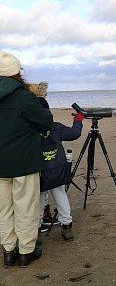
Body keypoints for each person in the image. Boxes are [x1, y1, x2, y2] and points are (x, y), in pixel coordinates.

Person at [0, 51, 53, 268]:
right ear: (17, 73)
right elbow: (46, 122)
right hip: (24, 162)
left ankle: (8, 251)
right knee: (25, 207)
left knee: (4, 210)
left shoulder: (22, 97)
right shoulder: (24, 97)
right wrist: (38, 98)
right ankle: (26, 251)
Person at [36, 97, 84, 241]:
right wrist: (78, 120)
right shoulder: (56, 127)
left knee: (37, 201)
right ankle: (67, 227)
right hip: (57, 170)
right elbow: (74, 134)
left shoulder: (29, 129)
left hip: (39, 171)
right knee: (61, 196)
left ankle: (36, 229)